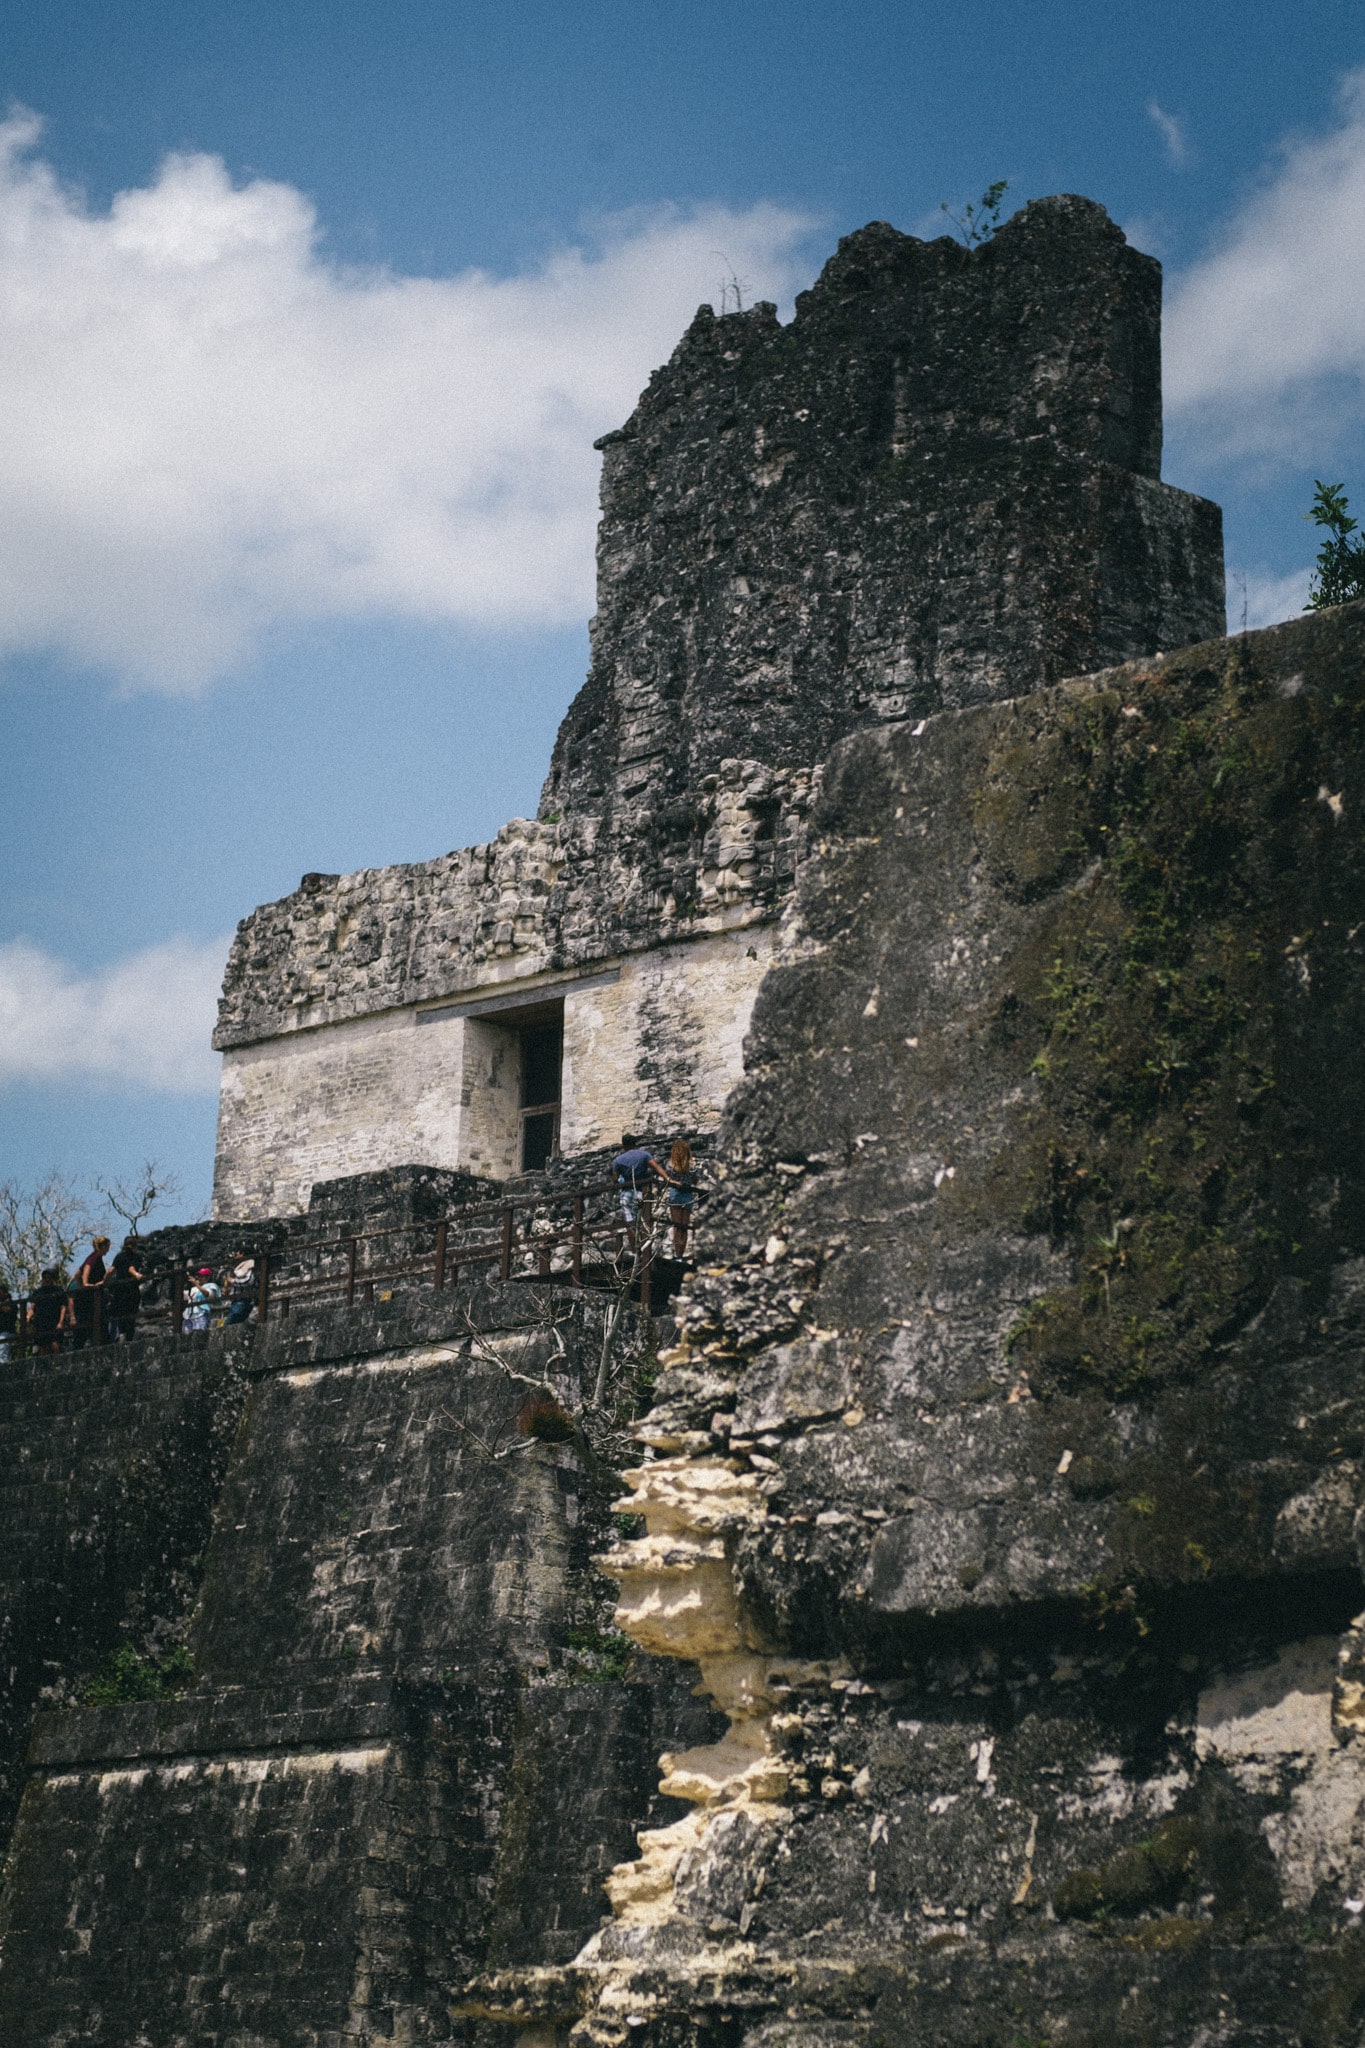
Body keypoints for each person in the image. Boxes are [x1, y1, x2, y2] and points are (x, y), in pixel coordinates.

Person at [612, 1134, 671, 1250]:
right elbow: (657, 1167)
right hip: (641, 1191)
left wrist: (621, 1180)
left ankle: (635, 1250)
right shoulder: (644, 1155)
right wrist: (667, 1179)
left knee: (630, 1222)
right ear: (635, 1143)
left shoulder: (618, 1160)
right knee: (643, 1221)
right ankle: (644, 1250)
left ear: (623, 1145)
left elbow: (615, 1180)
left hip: (626, 1192)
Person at [68, 1235, 111, 1349]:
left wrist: (80, 1285)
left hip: (86, 1297)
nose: (108, 1249)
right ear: (104, 1246)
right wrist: (85, 1283)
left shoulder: (93, 1256)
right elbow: (87, 1267)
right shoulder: (95, 1256)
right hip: (91, 1298)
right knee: (95, 1322)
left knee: (87, 1325)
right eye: (108, 1246)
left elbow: (77, 1274)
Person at [663, 1139, 698, 1260]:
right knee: (685, 1226)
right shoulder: (692, 1164)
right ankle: (681, 1255)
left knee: (676, 1226)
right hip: (688, 1195)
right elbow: (695, 1180)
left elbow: (668, 1177)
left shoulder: (671, 1164)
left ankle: (677, 1254)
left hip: (675, 1194)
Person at [106, 1239, 145, 1342]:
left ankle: (122, 1335)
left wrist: (104, 1281)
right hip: (131, 1290)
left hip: (120, 1290)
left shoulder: (119, 1256)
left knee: (121, 1315)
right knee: (131, 1317)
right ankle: (128, 1339)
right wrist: (137, 1275)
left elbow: (110, 1271)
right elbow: (131, 1268)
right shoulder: (135, 1256)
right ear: (135, 1246)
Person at [29, 1267, 68, 1354]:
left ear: (52, 1279)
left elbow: (63, 1307)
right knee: (42, 1346)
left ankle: (59, 1364)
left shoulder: (58, 1291)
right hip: (41, 1323)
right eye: (45, 1277)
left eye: (49, 1277)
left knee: (55, 1344)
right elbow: (32, 1307)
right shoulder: (38, 1292)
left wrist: (61, 1322)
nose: (47, 1280)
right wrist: (28, 1316)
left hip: (54, 1321)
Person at [184, 1266, 221, 1333]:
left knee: (199, 1336)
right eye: (199, 1275)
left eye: (202, 1276)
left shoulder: (212, 1285)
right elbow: (185, 1298)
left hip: (201, 1314)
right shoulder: (193, 1288)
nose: (199, 1278)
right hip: (188, 1316)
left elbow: (209, 1295)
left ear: (208, 1277)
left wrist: (196, 1285)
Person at [224, 1257, 256, 1326]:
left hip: (242, 1300)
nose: (235, 1255)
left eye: (237, 1253)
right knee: (233, 1324)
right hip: (235, 1301)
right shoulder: (239, 1269)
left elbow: (248, 1282)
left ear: (242, 1254)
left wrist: (232, 1281)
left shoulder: (249, 1267)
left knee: (229, 1324)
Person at [0, 1282, 16, 1363]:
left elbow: (7, 1310)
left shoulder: (10, 1303)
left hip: (7, 1333)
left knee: (2, 1355)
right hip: (3, 1332)